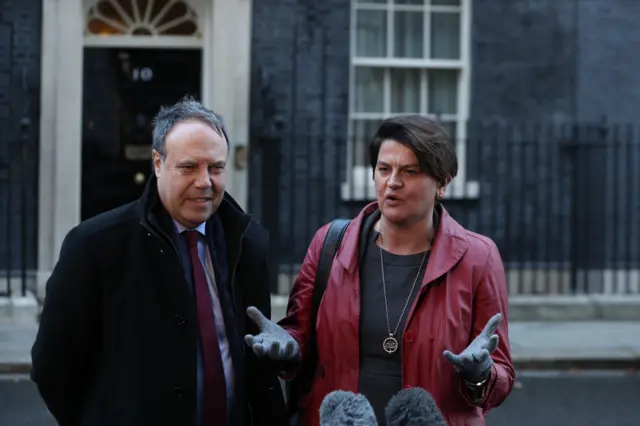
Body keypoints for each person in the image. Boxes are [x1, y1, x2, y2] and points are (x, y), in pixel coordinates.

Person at [31, 97, 287, 426]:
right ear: (157, 163)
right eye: (189, 167)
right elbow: (52, 365)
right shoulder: (95, 246)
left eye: (216, 168)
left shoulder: (248, 244)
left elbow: (256, 367)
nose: (205, 181)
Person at [243, 115, 514, 426]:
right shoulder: (330, 244)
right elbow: (299, 337)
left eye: (410, 171)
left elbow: (501, 373)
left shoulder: (477, 257)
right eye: (384, 169)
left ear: (443, 183)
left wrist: (481, 375)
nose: (393, 182)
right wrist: (287, 347)